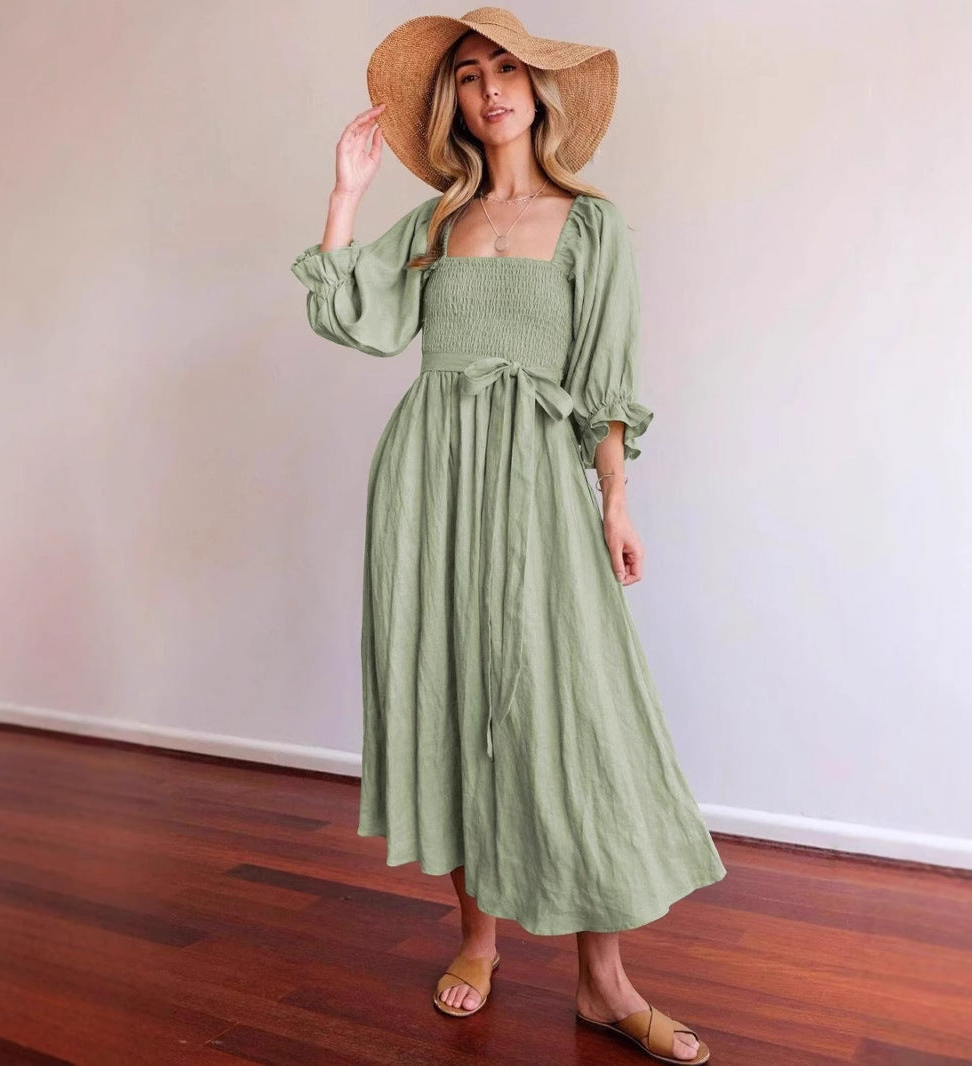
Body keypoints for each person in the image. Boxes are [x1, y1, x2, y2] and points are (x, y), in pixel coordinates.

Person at [290, 8, 726, 1064]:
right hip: (427, 477)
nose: (490, 89)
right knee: (450, 695)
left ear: (537, 91)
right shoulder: (437, 220)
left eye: (506, 70)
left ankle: (603, 983)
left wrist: (614, 500)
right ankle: (476, 940)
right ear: (455, 102)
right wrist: (346, 193)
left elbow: (605, 379)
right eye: (470, 75)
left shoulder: (591, 226)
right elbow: (353, 317)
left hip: (534, 476)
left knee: (573, 708)